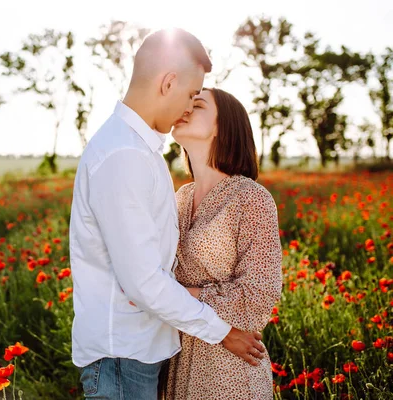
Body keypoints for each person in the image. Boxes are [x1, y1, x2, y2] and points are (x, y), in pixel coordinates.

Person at [69, 29, 265, 400]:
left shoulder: (141, 151)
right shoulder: (124, 156)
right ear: (168, 82)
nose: (189, 106)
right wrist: (223, 331)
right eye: (192, 94)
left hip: (141, 356)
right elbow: (143, 283)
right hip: (123, 357)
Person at [162, 88, 283, 399]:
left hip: (228, 369)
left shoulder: (251, 198)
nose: (184, 109)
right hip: (176, 361)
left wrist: (169, 297)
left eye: (197, 105)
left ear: (223, 126)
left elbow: (259, 295)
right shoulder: (181, 197)